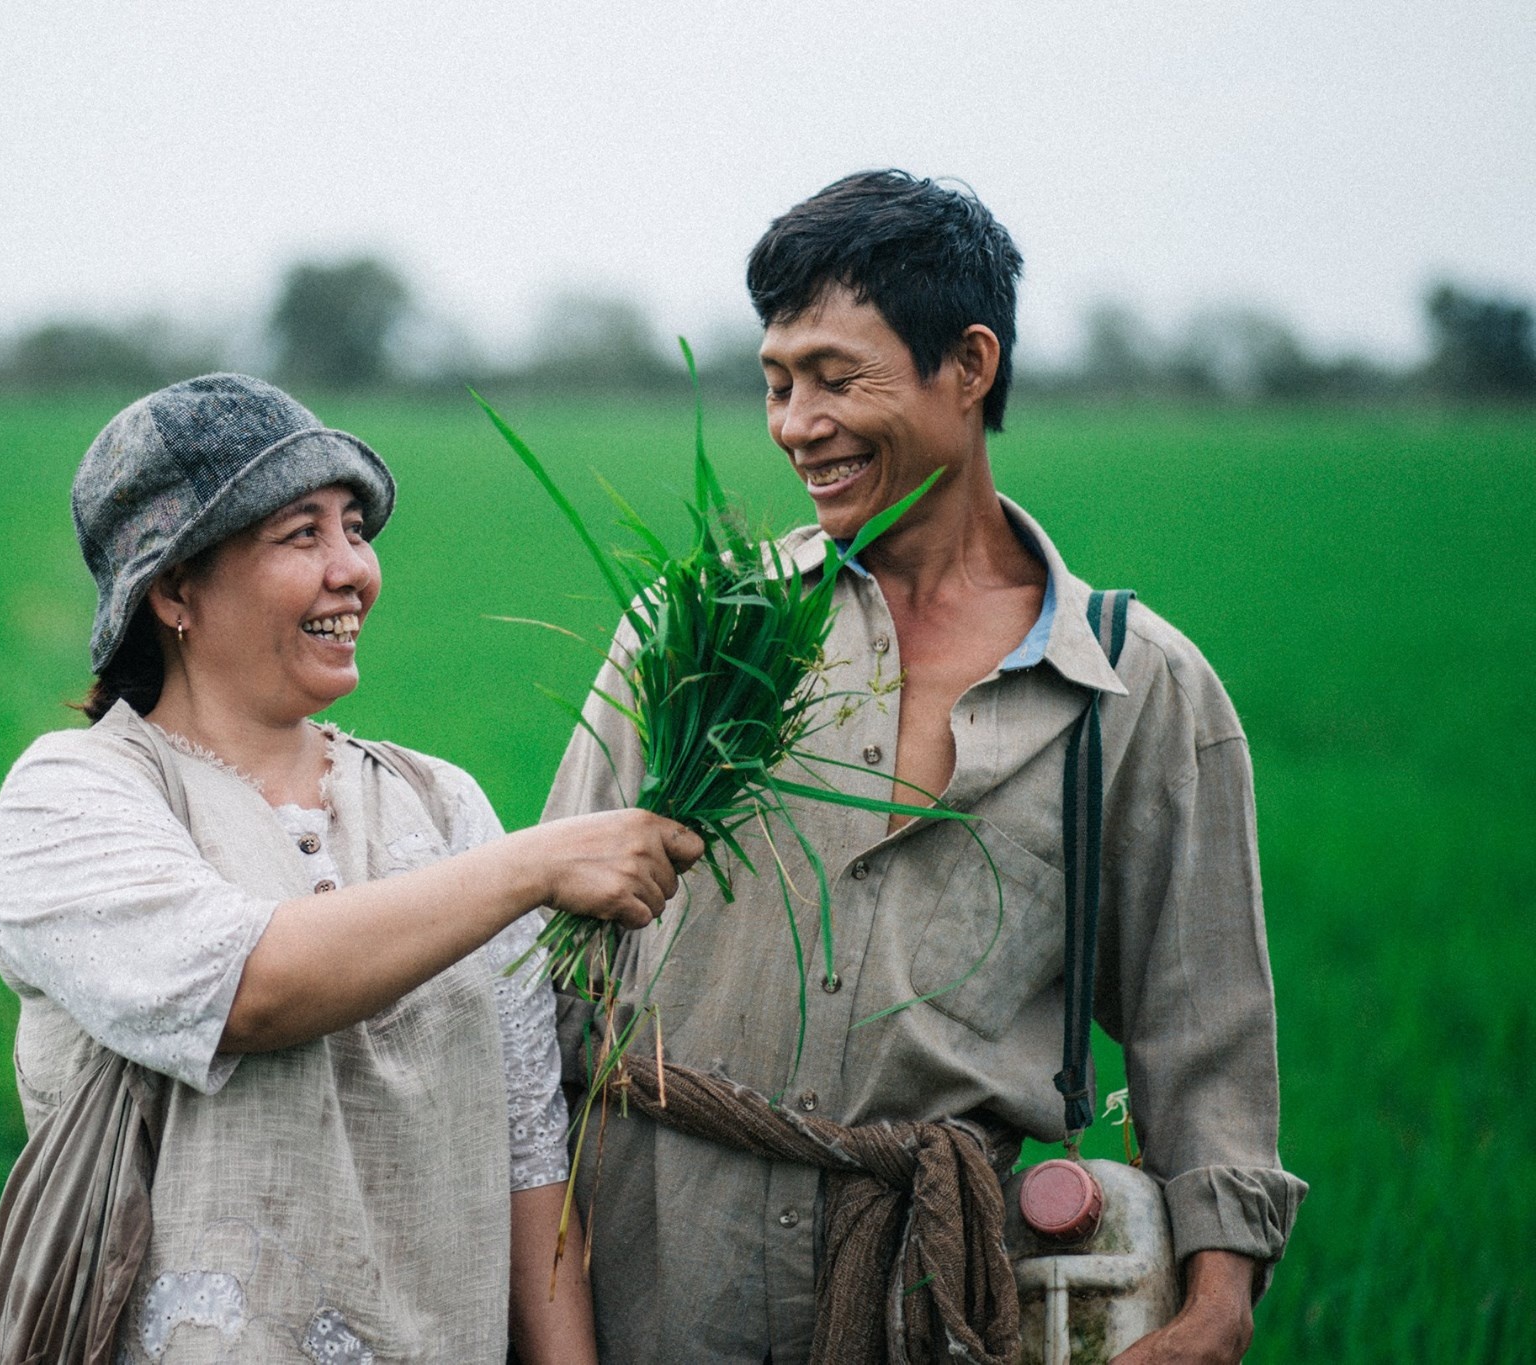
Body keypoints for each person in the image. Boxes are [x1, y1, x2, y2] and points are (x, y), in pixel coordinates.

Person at [544, 171, 1307, 1363]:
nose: (797, 422)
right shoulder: (696, 635)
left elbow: (1199, 1022)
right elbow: (557, 975)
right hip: (664, 1274)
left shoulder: (1137, 686)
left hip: (947, 1296)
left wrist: (1215, 1304)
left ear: (968, 364)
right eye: (776, 381)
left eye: (838, 378)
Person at [0, 373, 702, 1363]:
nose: (352, 570)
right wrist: (532, 866)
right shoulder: (75, 796)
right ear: (174, 588)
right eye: (298, 535)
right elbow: (246, 989)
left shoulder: (442, 805)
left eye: (352, 527)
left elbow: (530, 1149)